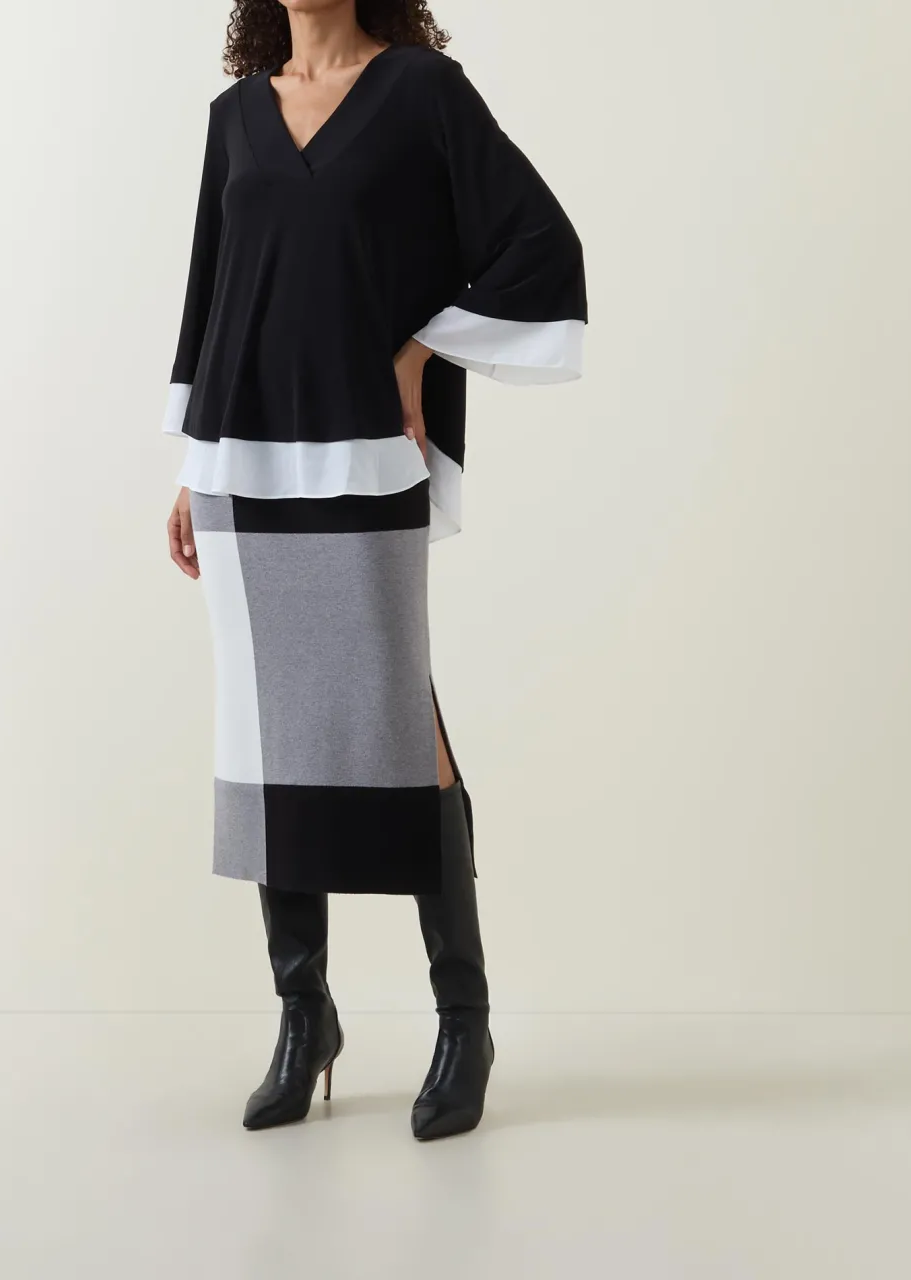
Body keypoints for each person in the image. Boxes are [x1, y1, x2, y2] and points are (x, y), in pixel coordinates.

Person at [160, 0, 587, 1140]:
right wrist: (192, 469)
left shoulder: (419, 94)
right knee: (267, 729)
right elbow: (212, 295)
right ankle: (305, 1015)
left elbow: (540, 241)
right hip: (241, 459)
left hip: (363, 450)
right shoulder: (235, 118)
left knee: (401, 721)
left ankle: (464, 1020)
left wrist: (419, 350)